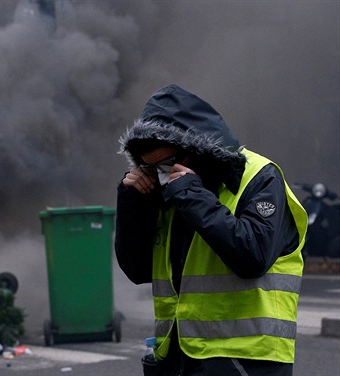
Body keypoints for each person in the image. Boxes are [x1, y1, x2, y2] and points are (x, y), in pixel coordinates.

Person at [115, 84, 307, 376]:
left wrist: (193, 196)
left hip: (247, 361)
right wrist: (132, 201)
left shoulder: (259, 177)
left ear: (196, 148)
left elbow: (252, 256)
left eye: (167, 163)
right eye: (151, 167)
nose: (162, 174)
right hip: (178, 358)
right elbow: (138, 269)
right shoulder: (169, 188)